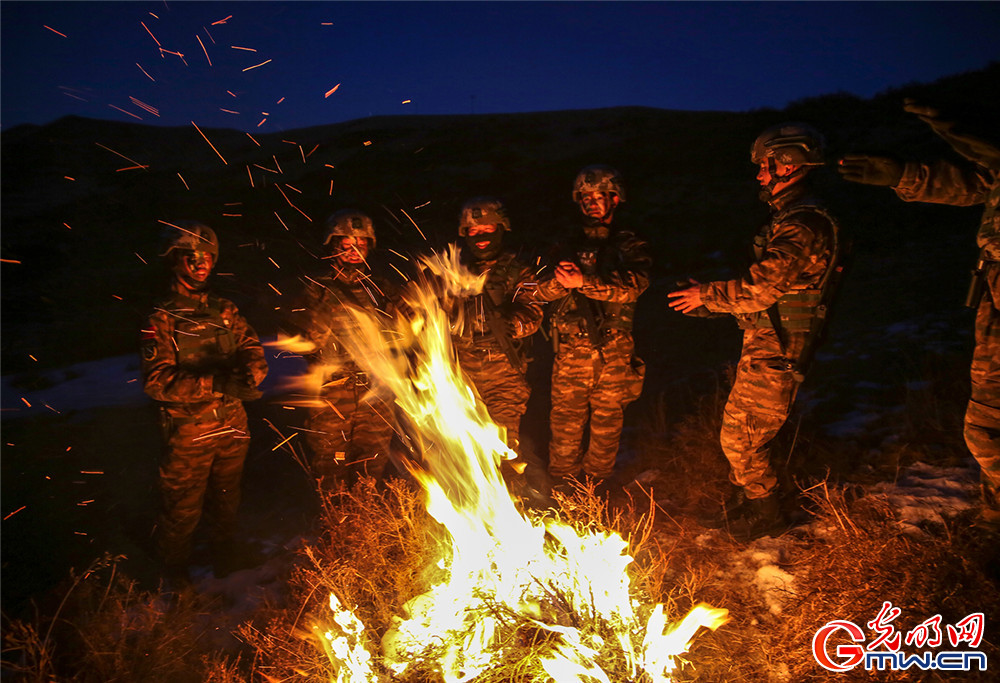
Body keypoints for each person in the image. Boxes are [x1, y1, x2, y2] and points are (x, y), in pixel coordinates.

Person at [668, 123, 841, 539]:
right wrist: (713, 303)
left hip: (779, 349)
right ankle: (749, 502)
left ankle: (768, 520)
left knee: (741, 437)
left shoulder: (802, 225)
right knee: (741, 431)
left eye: (765, 166)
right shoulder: (792, 219)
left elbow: (760, 289)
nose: (760, 175)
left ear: (787, 164)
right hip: (768, 342)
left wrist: (706, 296)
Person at [838, 99, 1000, 533]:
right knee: (988, 423)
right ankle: (994, 521)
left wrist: (963, 130)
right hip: (994, 292)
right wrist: (905, 177)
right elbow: (981, 181)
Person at [141, 221, 268, 579]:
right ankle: (173, 574)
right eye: (193, 256)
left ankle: (225, 559)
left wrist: (252, 371)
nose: (202, 263)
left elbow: (250, 346)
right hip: (189, 433)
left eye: (208, 256)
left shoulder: (224, 309)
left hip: (231, 423)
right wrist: (216, 382)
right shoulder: (161, 316)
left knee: (227, 499)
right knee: (181, 508)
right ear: (175, 259)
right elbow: (156, 382)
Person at [534, 165, 650, 491]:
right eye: (585, 198)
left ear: (615, 198)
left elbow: (634, 285)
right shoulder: (563, 243)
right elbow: (536, 290)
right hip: (570, 347)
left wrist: (585, 282)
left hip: (614, 346)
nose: (591, 203)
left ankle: (594, 491)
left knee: (607, 422)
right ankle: (563, 489)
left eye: (599, 197)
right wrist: (560, 283)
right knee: (565, 423)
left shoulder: (628, 243)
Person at [286, 209, 398, 490]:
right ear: (333, 245)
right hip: (331, 395)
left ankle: (364, 530)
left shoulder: (381, 288)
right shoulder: (313, 288)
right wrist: (330, 310)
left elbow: (403, 334)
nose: (354, 251)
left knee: (370, 474)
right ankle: (337, 532)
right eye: (347, 244)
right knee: (330, 473)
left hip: (376, 393)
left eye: (360, 244)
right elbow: (304, 341)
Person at [449, 196, 543, 477]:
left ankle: (512, 508)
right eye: (473, 231)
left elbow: (533, 314)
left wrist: (510, 322)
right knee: (464, 451)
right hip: (462, 375)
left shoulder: (518, 271)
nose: (480, 236)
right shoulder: (455, 273)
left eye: (487, 229)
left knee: (502, 448)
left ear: (501, 229)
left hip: (503, 376)